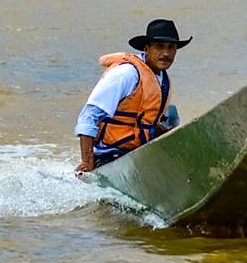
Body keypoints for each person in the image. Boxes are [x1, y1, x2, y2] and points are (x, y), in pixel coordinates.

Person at [74, 19, 192, 173]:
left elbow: (144, 123)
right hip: (109, 156)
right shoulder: (126, 74)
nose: (166, 53)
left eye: (171, 48)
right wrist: (87, 162)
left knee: (171, 115)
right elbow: (88, 117)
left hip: (139, 153)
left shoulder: (162, 78)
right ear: (146, 48)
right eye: (160, 47)